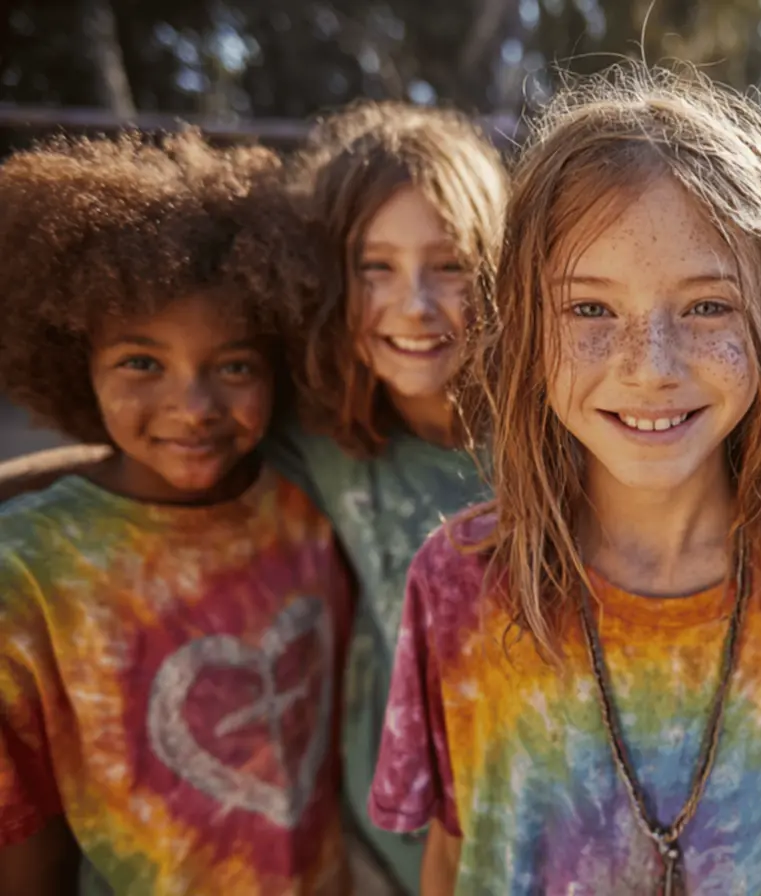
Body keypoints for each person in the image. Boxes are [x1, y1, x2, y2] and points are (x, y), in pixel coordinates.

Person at [367, 65, 761, 895]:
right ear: (526, 326)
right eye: (590, 308)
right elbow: (453, 852)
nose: (651, 367)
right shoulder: (460, 581)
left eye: (706, 307)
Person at [0, 131, 351, 894]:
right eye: (141, 363)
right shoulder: (26, 570)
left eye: (234, 365)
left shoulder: (306, 508)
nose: (193, 407)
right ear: (74, 361)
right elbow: (21, 832)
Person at [267, 102, 507, 894]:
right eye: (376, 267)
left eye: (450, 266)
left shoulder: (558, 432)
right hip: (387, 840)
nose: (415, 305)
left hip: (538, 833)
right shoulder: (323, 431)